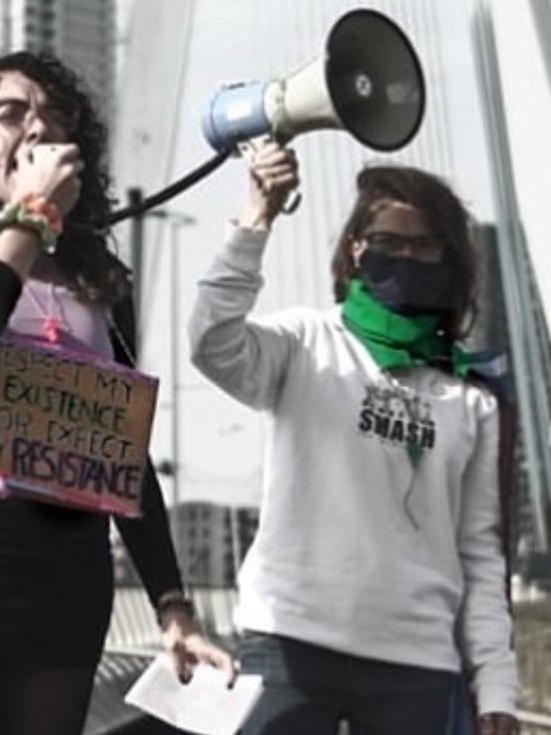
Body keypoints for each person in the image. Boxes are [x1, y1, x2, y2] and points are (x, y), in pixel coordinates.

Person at [0, 49, 234, 735]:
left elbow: (122, 450)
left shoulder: (100, 280)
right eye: (10, 114)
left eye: (53, 117)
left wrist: (172, 604)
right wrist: (30, 219)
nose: (36, 128)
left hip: (66, 569)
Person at [188, 141, 519, 735]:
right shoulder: (306, 341)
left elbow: (479, 553)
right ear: (355, 250)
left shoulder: (471, 398)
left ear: (451, 259)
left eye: (425, 245)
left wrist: (496, 683)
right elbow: (212, 346)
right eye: (389, 242)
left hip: (416, 664)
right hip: (288, 640)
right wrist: (256, 219)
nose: (407, 257)